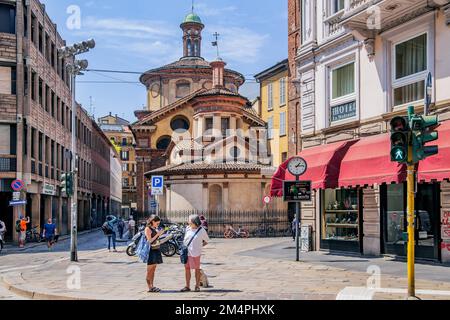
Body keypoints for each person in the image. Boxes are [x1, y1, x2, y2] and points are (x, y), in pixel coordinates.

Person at [181, 214, 210, 293]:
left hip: (196, 253)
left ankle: (197, 286)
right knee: (187, 269)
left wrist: (200, 246)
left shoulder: (201, 230)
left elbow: (207, 240)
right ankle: (187, 286)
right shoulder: (188, 228)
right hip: (187, 253)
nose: (188, 222)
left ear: (194, 222)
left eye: (189, 221)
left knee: (197, 269)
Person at [145, 215, 165, 293]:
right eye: (157, 223)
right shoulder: (147, 229)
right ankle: (149, 287)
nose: (158, 224)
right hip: (151, 251)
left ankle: (152, 286)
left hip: (156, 249)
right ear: (153, 221)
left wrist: (160, 235)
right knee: (149, 270)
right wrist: (157, 234)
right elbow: (149, 241)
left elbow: (156, 239)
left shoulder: (154, 228)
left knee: (153, 270)